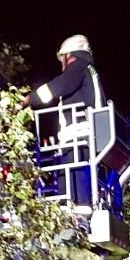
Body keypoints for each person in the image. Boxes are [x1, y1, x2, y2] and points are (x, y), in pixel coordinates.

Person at [23, 35, 103, 206]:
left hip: (79, 134)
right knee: (70, 174)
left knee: (73, 174)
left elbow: (59, 86)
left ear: (68, 55)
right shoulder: (89, 71)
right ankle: (76, 207)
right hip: (88, 135)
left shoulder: (78, 67)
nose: (62, 65)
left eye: (62, 60)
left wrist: (31, 99)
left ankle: (78, 209)